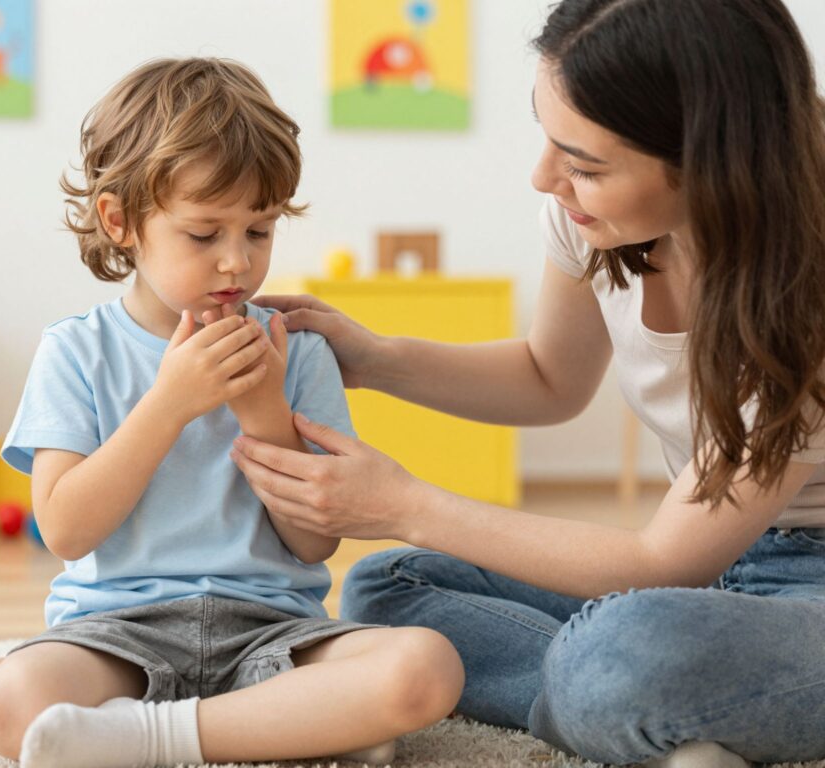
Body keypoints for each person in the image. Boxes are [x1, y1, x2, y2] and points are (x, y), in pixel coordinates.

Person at [230, 1, 825, 766]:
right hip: (714, 580)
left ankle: (625, 701)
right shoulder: (595, 221)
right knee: (387, 587)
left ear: (708, 164)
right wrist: (374, 358)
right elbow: (550, 378)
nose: (546, 178)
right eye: (550, 139)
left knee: (624, 652)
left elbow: (665, 566)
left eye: (585, 165)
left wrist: (405, 503)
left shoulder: (802, 294)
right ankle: (653, 717)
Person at [0, 57, 464, 767]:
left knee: (426, 669)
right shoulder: (76, 351)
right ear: (120, 221)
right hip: (116, 634)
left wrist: (263, 414)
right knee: (10, 702)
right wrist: (169, 404)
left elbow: (313, 548)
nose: (236, 264)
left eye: (259, 231)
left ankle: (151, 735)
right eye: (204, 234)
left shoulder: (297, 353)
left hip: (271, 631)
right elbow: (65, 528)